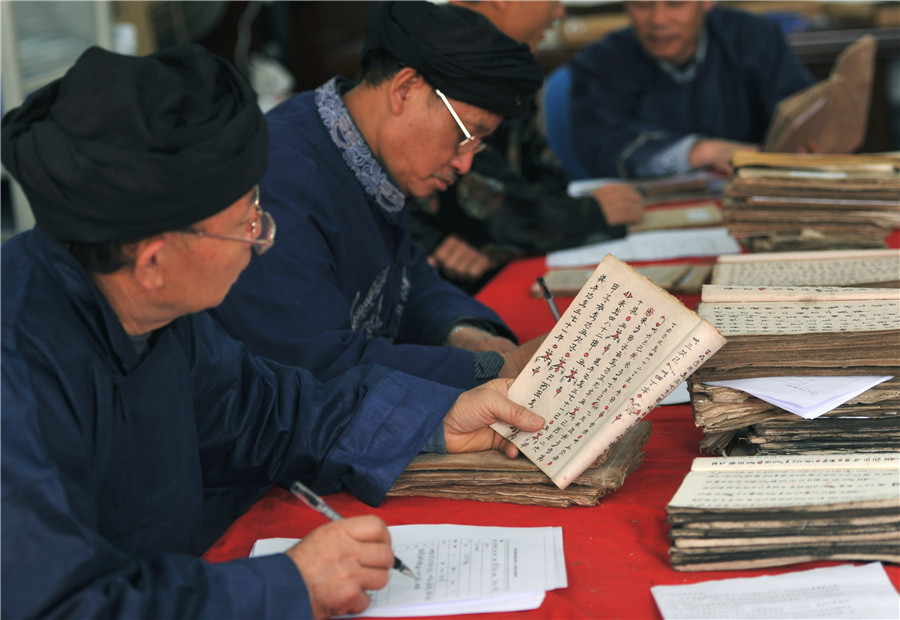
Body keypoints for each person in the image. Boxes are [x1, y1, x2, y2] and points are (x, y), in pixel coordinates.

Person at [0, 44, 545, 619]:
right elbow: (60, 605)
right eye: (246, 225)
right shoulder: (18, 375)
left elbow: (265, 412)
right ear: (154, 262)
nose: (264, 239)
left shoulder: (149, 305)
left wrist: (433, 421)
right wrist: (288, 586)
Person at [210, 1, 549, 391]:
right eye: (464, 134)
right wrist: (483, 370)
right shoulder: (278, 180)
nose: (465, 163)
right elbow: (314, 366)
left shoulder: (360, 149)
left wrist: (469, 336)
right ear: (404, 89)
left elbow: (404, 279)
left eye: (478, 144)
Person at [410, 0, 646, 292]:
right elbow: (481, 203)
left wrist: (503, 235)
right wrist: (591, 214)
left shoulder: (506, 63)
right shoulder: (432, 60)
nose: (560, 12)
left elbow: (543, 177)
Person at [568, 0, 816, 179]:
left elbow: (802, 111)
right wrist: (701, 152)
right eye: (643, 4)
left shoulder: (756, 40)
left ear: (706, 2)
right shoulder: (601, 62)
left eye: (676, 3)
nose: (658, 20)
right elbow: (597, 144)